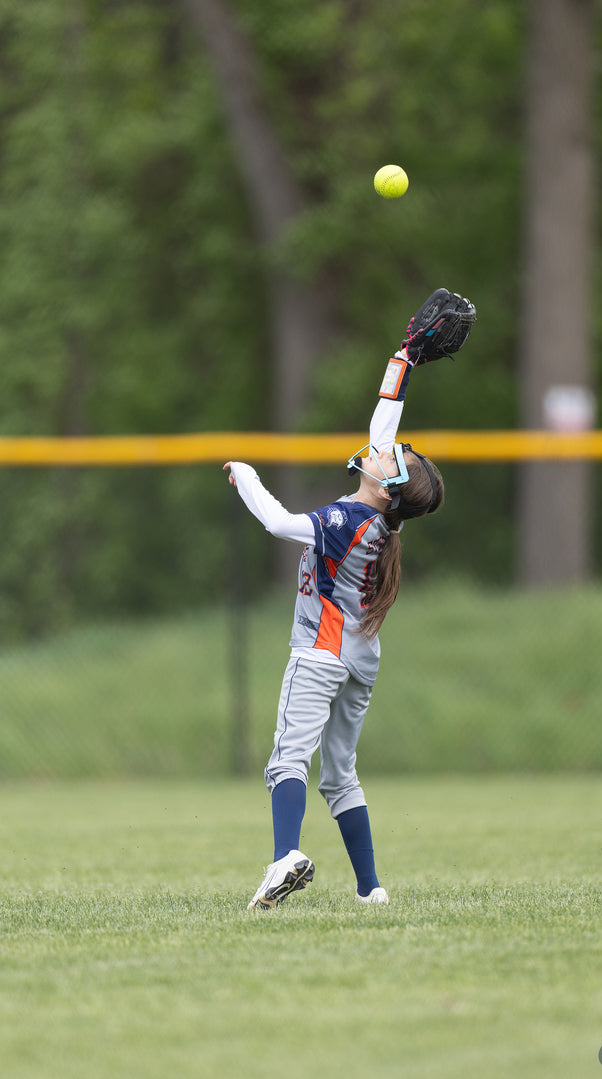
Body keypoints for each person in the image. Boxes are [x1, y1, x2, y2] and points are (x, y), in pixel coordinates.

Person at [224, 289, 475, 911]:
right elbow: (384, 419)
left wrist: (245, 475)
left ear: (388, 486)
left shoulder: (347, 520)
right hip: (361, 656)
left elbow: (279, 524)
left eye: (395, 457)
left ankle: (285, 857)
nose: (387, 448)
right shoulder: (381, 521)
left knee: (287, 760)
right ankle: (371, 890)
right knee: (340, 774)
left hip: (321, 650)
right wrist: (404, 357)